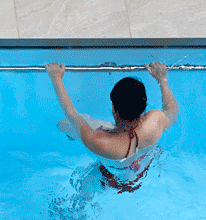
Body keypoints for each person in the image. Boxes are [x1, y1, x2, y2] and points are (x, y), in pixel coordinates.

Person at [46, 62, 178, 193]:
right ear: (144, 106)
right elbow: (172, 111)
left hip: (109, 177)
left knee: (63, 125)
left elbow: (71, 114)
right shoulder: (154, 122)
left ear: (113, 109)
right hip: (140, 174)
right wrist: (162, 79)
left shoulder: (99, 142)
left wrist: (56, 78)